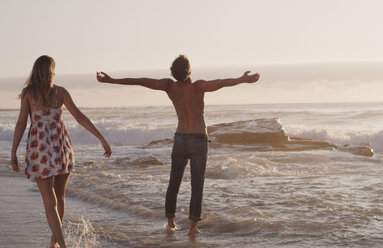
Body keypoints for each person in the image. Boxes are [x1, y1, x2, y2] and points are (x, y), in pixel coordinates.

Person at [96, 55, 259, 234]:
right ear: (189, 70)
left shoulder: (169, 86)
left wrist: (111, 80)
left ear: (173, 72)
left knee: (174, 182)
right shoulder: (198, 86)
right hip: (198, 139)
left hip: (180, 138)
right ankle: (192, 227)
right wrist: (242, 79)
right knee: (197, 184)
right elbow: (220, 82)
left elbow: (140, 81)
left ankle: (170, 222)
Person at [11, 55, 112, 248]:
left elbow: (22, 123)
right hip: (60, 147)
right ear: (51, 72)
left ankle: (59, 244)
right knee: (60, 197)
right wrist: (101, 138)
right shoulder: (60, 92)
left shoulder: (28, 93)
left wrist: (13, 152)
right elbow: (80, 117)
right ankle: (55, 243)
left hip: (39, 149)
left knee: (50, 201)